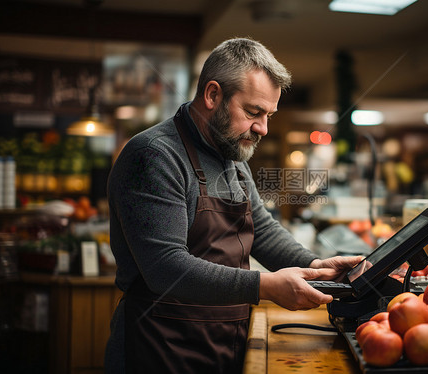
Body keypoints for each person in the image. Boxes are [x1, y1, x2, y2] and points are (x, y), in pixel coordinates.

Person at [104, 37, 362, 374]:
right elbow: (166, 268)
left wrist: (316, 267)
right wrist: (264, 286)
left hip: (224, 341)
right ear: (213, 95)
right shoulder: (154, 156)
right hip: (159, 347)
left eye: (268, 115)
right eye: (254, 112)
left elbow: (263, 231)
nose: (263, 129)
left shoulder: (230, 154)